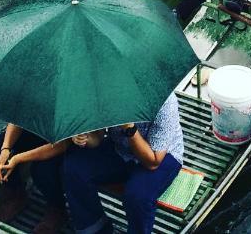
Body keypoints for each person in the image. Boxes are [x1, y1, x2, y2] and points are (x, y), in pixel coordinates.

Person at [63, 92, 184, 234]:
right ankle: (94, 228)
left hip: (161, 156)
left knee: (137, 196)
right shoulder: (106, 93)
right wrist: (85, 138)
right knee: (74, 167)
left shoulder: (163, 101)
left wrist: (128, 126)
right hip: (121, 149)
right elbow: (98, 139)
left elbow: (152, 162)